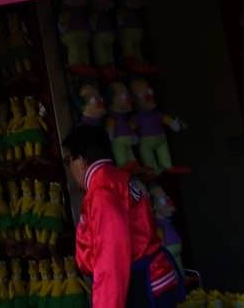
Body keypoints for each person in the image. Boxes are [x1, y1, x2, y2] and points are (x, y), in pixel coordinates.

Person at [64, 126, 182, 308]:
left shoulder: (102, 190)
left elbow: (110, 258)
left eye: (68, 161)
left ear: (80, 160)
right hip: (154, 280)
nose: (70, 170)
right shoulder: (119, 179)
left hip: (141, 287)